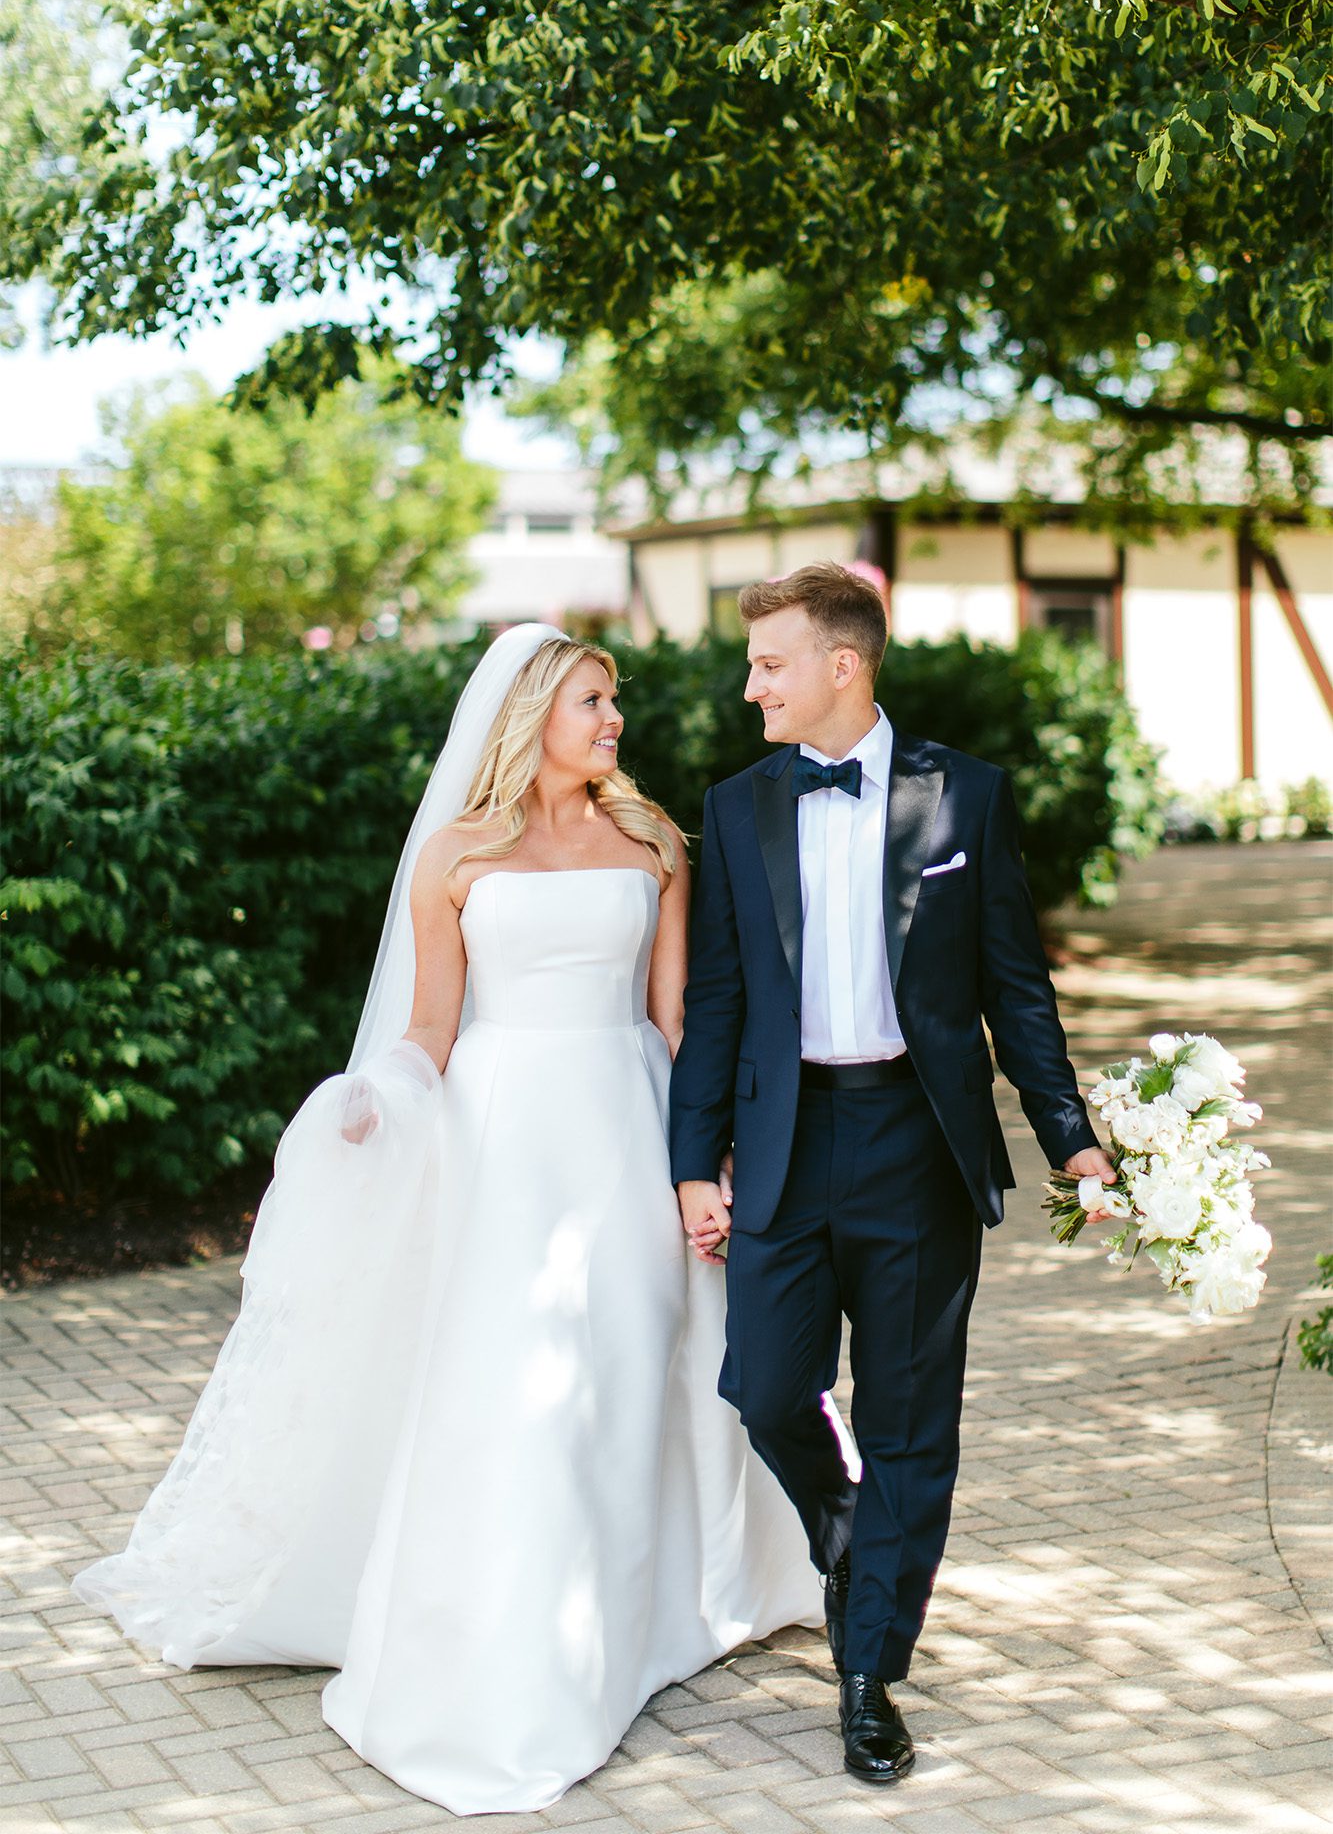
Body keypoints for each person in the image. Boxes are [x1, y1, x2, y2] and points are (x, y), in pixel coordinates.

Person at [73, 624, 819, 1815]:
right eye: (591, 699)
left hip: (624, 1129)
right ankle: (522, 1639)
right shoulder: (456, 854)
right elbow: (430, 1024)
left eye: (612, 701)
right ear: (532, 713)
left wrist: (709, 1151)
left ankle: (654, 1606)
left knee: (636, 1358)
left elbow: (678, 1020)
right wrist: (379, 1098)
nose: (612, 719)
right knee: (524, 1381)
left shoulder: (652, 839)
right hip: (503, 1142)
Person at [669, 564, 1115, 1785]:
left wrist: (1069, 1132)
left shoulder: (963, 795)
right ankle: (859, 1542)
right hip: (780, 1143)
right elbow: (715, 1001)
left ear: (841, 665)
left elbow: (1014, 988)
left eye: (770, 661)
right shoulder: (739, 803)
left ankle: (867, 1672)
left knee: (911, 1420)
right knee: (766, 1389)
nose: (750, 682)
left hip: (916, 1145)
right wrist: (687, 1166)